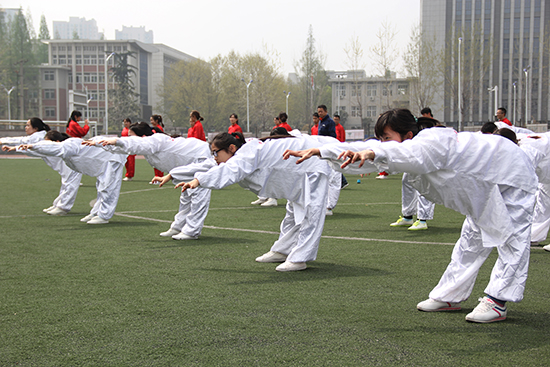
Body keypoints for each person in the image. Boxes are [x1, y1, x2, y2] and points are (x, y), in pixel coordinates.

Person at [286, 108, 537, 323]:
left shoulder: (432, 143)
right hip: (484, 184)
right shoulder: (405, 146)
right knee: (471, 237)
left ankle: (498, 300)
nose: (382, 144)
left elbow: (405, 154)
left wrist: (375, 153)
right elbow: (373, 149)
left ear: (408, 135)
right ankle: (450, 296)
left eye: (387, 137)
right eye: (380, 139)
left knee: (512, 238)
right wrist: (321, 151)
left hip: (510, 172)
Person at [177, 132, 337, 272]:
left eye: (216, 153)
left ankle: (299, 258)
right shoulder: (241, 154)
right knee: (292, 210)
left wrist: (198, 181)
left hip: (313, 163)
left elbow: (230, 170)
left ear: (231, 148)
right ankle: (282, 250)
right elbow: (210, 165)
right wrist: (173, 175)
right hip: (298, 168)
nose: (215, 158)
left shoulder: (247, 154)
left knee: (311, 211)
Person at [90, 121, 213, 240]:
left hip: (201, 157)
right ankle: (178, 227)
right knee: (186, 195)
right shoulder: (149, 149)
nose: (128, 139)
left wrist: (117, 140)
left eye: (131, 137)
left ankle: (192, 231)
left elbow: (135, 144)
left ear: (143, 136)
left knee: (198, 196)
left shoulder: (155, 140)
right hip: (189, 162)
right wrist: (98, 143)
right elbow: (125, 148)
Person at [19, 130, 127, 224]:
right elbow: (46, 149)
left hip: (112, 158)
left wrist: (33, 146)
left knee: (108, 188)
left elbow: (53, 148)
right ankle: (96, 213)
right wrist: (20, 147)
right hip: (102, 161)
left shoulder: (69, 145)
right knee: (101, 187)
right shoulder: (67, 148)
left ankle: (104, 216)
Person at [1, 118, 82, 216]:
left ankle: (63, 207)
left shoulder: (38, 137)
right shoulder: (39, 136)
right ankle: (58, 205)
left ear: (35, 128)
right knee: (65, 183)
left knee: (69, 184)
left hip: (71, 163)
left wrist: (4, 141)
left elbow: (22, 141)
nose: (25, 128)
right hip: (64, 165)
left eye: (28, 125)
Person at [333, 114, 349, 189]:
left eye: (336, 119)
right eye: (334, 119)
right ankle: (342, 181)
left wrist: (342, 148)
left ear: (339, 120)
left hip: (338, 148)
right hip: (333, 147)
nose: (335, 121)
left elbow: (342, 138)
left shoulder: (340, 128)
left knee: (336, 164)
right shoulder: (332, 127)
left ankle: (343, 181)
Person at [150, 115, 165, 183]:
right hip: (155, 148)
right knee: (155, 163)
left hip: (159, 148)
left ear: (156, 121)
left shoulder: (159, 128)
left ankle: (160, 178)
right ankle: (156, 177)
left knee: (159, 163)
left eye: (152, 120)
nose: (151, 122)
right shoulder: (154, 128)